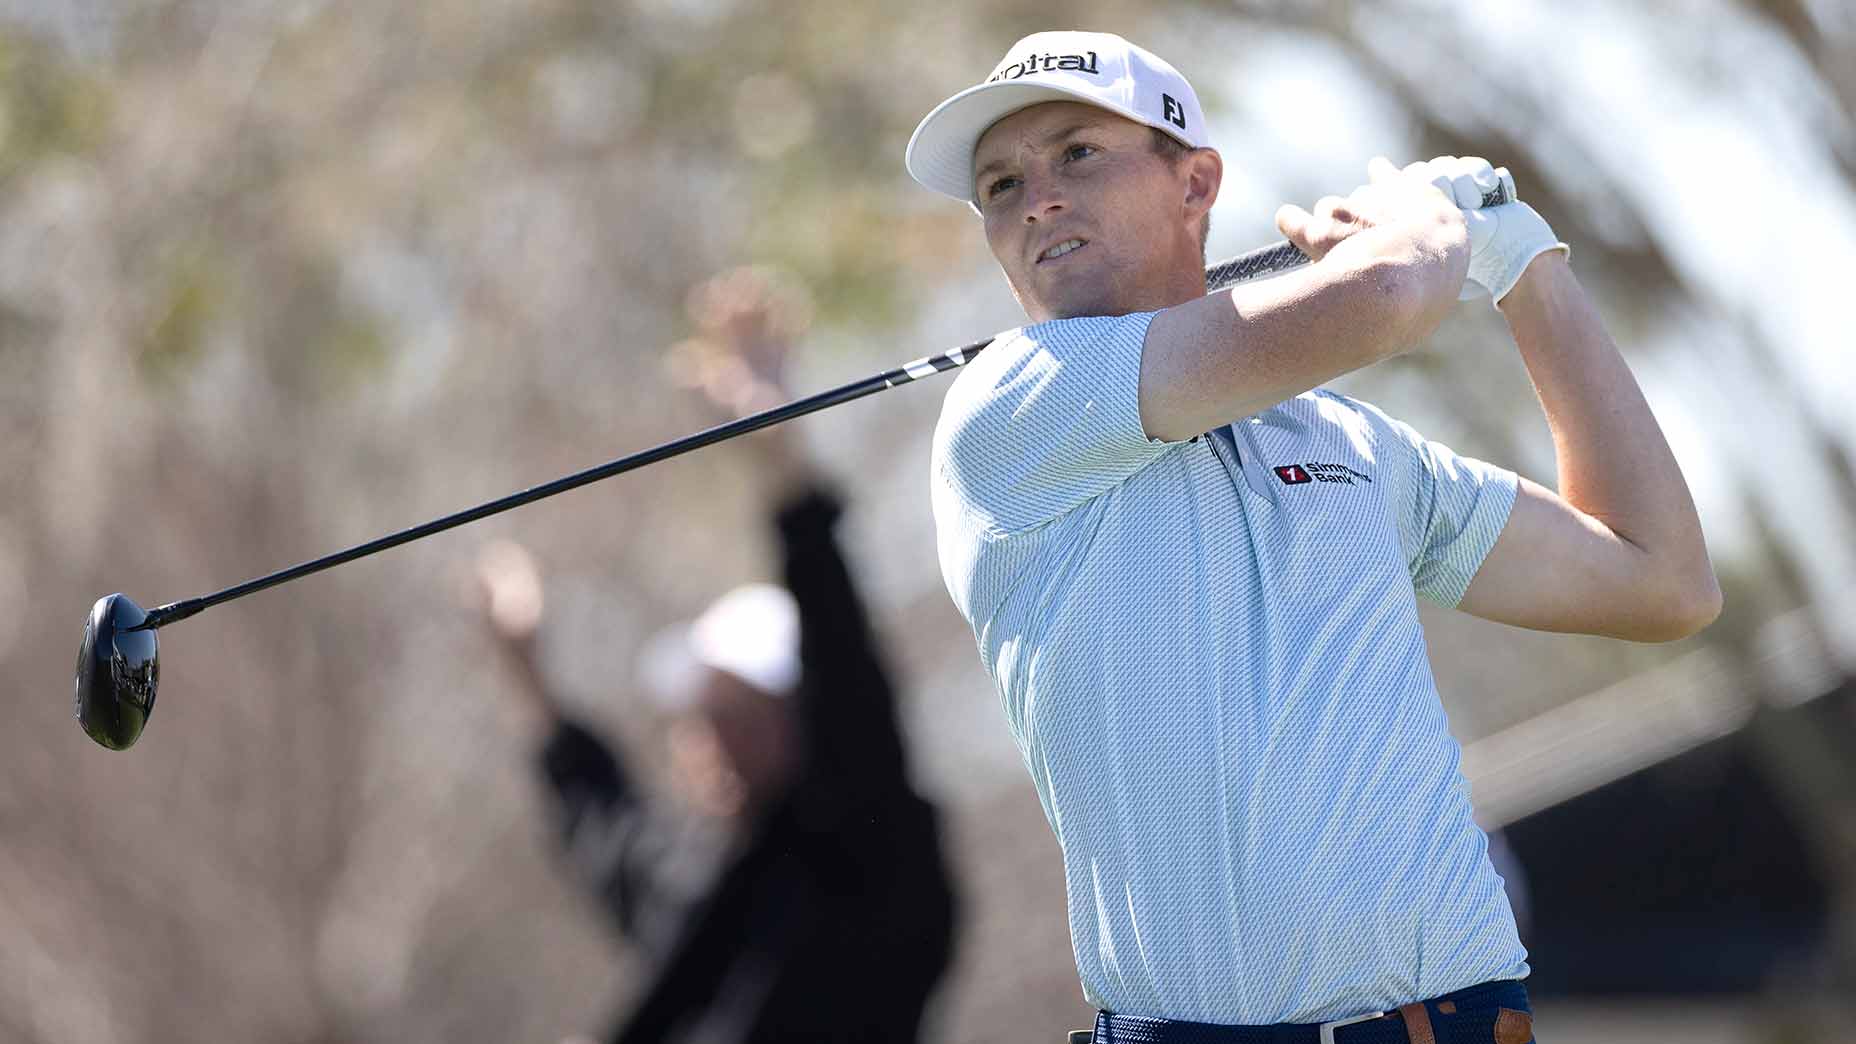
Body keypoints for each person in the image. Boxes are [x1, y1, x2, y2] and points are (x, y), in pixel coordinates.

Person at [906, 30, 1719, 1044]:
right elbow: (1384, 295)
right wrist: (1420, 230)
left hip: (1466, 1021)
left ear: (1194, 182)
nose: (1036, 200)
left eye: (1075, 153)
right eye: (998, 185)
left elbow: (1660, 581)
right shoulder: (1014, 402)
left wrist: (1526, 269)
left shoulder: (1345, 441)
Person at [475, 268, 957, 1044]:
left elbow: (846, 668)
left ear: (808, 721)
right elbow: (604, 819)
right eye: (704, 717)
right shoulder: (694, 887)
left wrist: (786, 470)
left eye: (743, 715)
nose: (713, 742)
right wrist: (526, 672)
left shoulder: (871, 854)